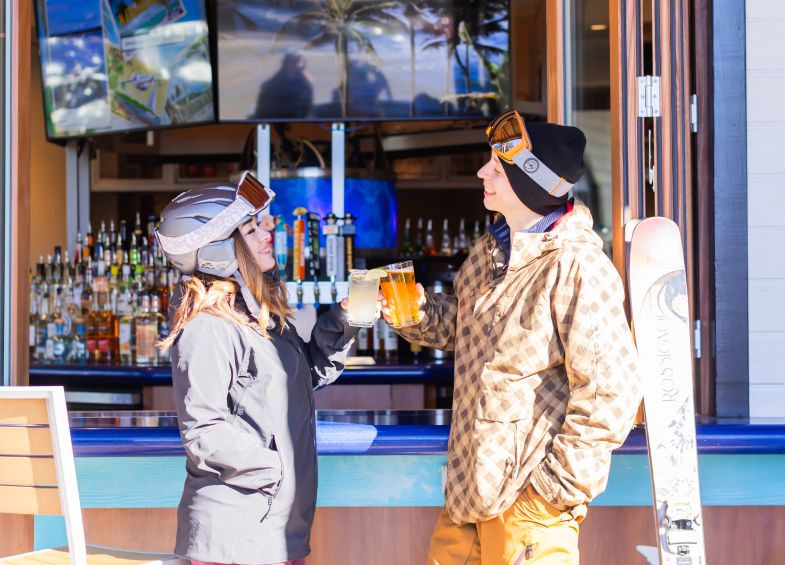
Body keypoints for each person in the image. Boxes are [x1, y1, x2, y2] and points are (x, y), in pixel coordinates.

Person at [386, 110, 643, 564]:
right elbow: (467, 327)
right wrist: (414, 313)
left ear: (530, 182)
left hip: (529, 507)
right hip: (468, 494)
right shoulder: (490, 253)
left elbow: (612, 394)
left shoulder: (576, 266)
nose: (483, 172)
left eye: (496, 166)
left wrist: (549, 492)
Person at [155, 171, 360, 565]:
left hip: (276, 530)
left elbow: (303, 377)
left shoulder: (256, 316)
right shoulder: (209, 327)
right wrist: (278, 470)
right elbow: (204, 431)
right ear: (218, 249)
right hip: (236, 535)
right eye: (251, 229)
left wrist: (344, 320)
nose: (268, 233)